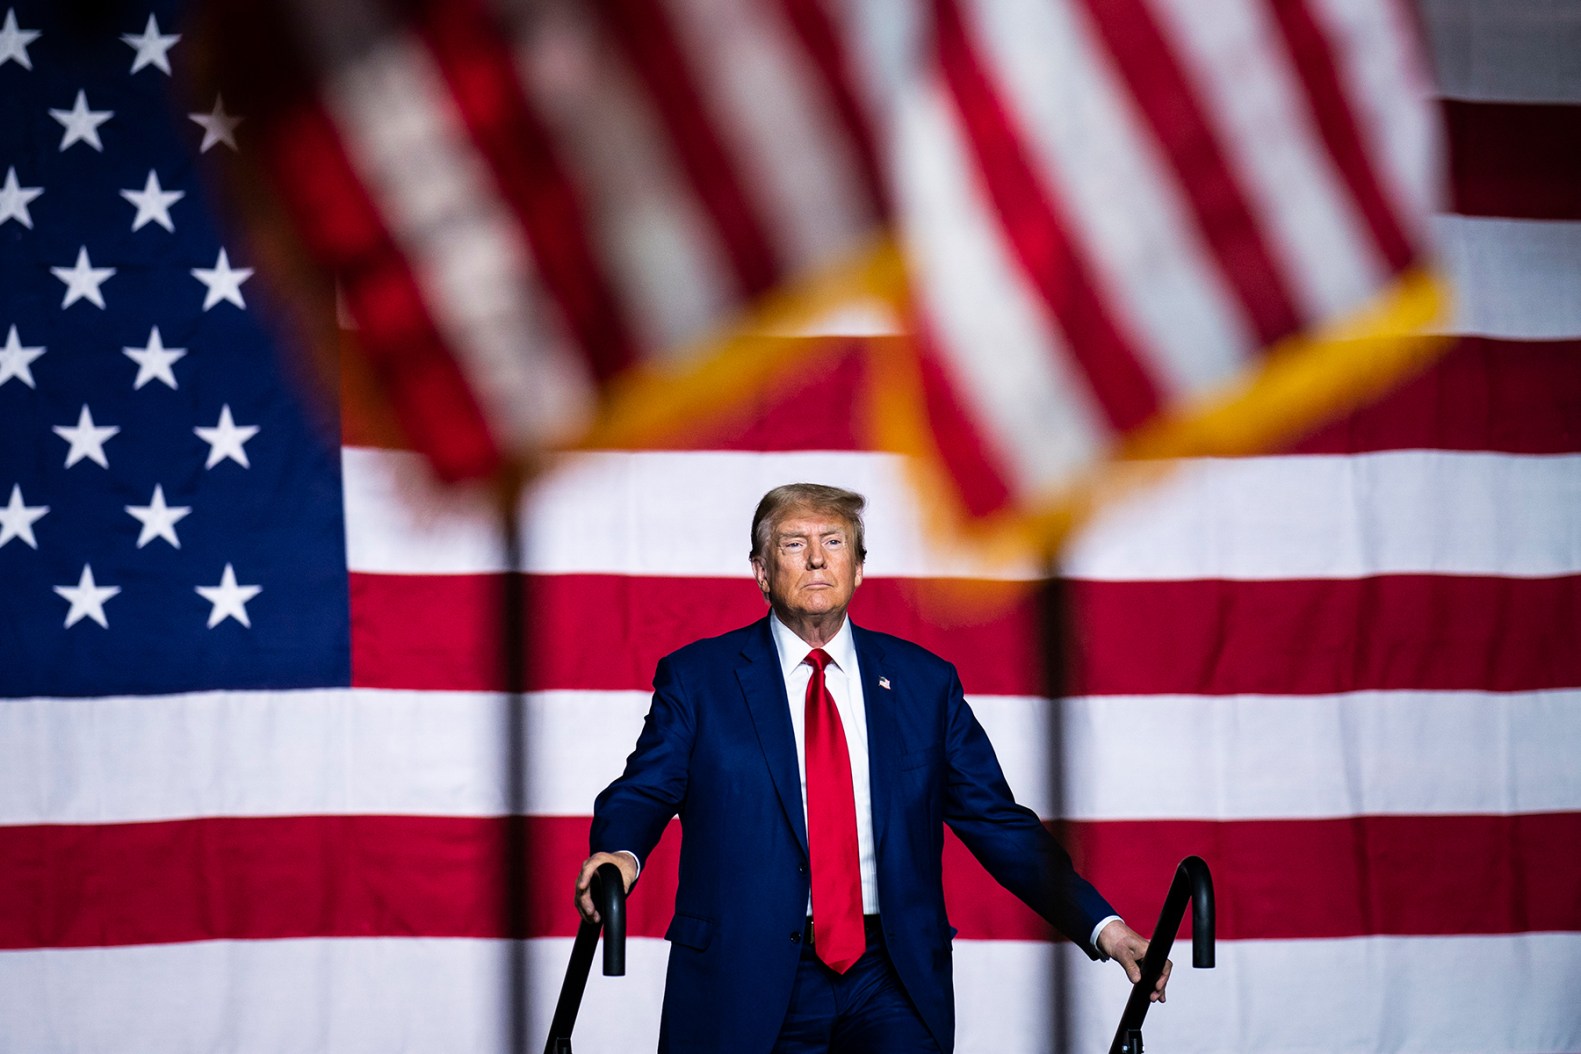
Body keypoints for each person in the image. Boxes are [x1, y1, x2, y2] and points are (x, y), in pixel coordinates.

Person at [575, 483, 1167, 1053]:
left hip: (892, 973)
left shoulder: (924, 683)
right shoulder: (698, 679)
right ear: (761, 571)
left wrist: (1106, 929)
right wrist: (619, 854)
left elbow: (998, 823)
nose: (814, 559)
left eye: (833, 542)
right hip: (745, 973)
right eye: (793, 543)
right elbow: (644, 790)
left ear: (859, 569)